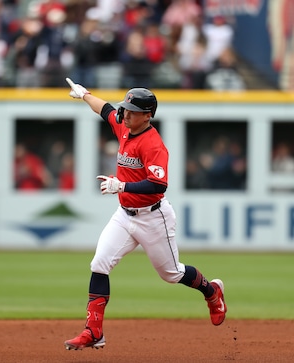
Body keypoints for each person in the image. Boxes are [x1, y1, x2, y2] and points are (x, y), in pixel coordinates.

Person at [63, 78, 227, 351]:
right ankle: (93, 332)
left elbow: (159, 184)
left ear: (147, 115)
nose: (124, 113)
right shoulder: (124, 124)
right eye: (125, 109)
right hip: (124, 215)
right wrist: (85, 95)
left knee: (171, 274)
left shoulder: (153, 144)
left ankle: (212, 291)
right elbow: (105, 110)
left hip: (153, 217)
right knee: (99, 264)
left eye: (131, 111)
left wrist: (121, 185)